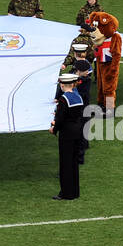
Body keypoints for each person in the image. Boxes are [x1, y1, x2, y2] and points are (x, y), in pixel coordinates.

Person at [50, 72, 84, 200]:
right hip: (77, 131)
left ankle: (66, 193)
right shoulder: (78, 97)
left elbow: (60, 118)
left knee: (65, 163)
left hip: (67, 134)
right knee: (74, 163)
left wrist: (54, 129)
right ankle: (75, 191)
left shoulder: (64, 99)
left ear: (63, 85)